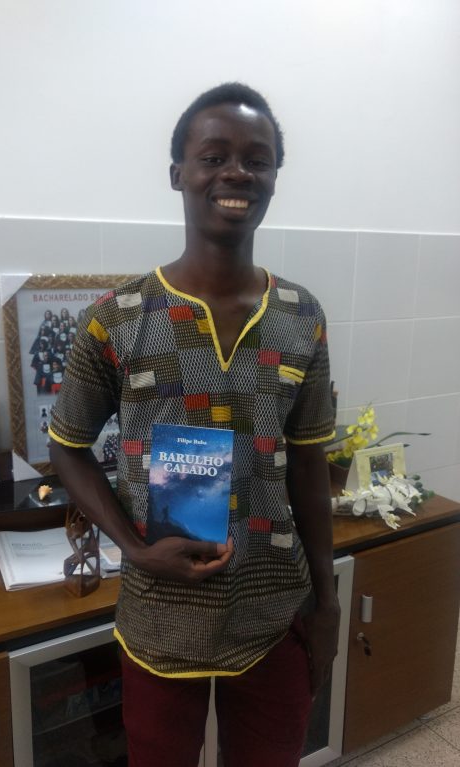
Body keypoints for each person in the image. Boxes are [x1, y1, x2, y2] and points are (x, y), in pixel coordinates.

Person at [49, 82, 340, 767]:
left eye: (256, 159)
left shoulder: (301, 316)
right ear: (177, 172)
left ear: (274, 177)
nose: (236, 173)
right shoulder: (116, 317)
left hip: (275, 609)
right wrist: (133, 548)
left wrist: (326, 601)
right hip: (161, 609)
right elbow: (67, 448)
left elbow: (308, 464)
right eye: (214, 156)